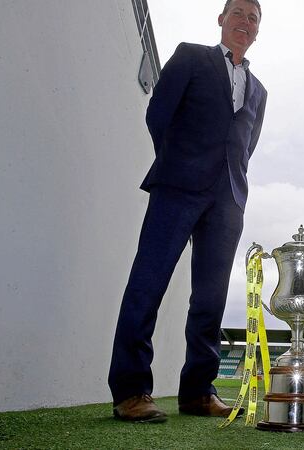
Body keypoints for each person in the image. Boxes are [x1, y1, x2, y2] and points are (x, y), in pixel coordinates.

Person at [108, 0, 266, 423]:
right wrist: (180, 163)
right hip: (177, 187)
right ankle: (130, 389)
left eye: (253, 18)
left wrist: (228, 184)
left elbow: (246, 145)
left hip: (228, 199)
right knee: (148, 281)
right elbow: (158, 114)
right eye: (238, 13)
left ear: (257, 31)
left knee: (211, 299)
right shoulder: (191, 56)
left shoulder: (259, 90)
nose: (244, 22)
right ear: (221, 20)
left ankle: (198, 391)